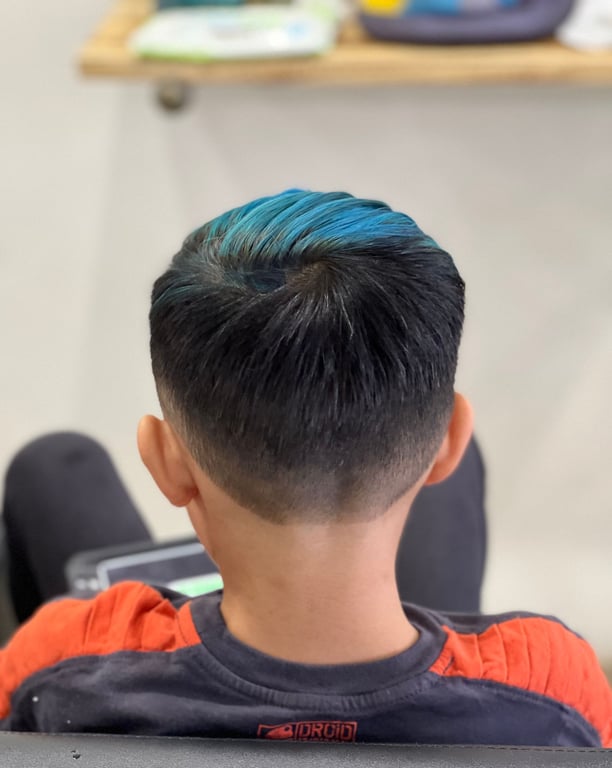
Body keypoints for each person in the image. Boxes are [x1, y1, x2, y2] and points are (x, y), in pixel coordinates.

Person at [0, 190, 610, 744]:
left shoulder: (64, 658)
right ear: (446, 443)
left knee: (55, 465)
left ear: (165, 462)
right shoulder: (553, 686)